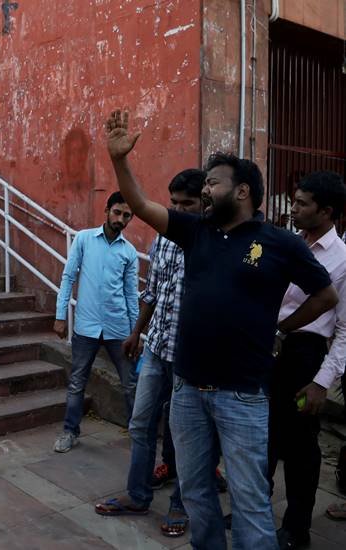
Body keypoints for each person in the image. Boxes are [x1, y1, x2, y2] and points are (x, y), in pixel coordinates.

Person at [105, 110, 338, 550]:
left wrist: (282, 326)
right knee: (195, 492)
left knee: (250, 499)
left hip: (243, 396)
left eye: (213, 182)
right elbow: (140, 205)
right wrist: (120, 160)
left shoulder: (279, 242)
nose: (206, 190)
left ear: (243, 189)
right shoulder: (197, 231)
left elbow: (326, 297)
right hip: (188, 391)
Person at [91, 170, 204, 535]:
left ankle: (180, 506)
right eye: (174, 203)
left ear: (204, 204)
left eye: (188, 204)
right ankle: (138, 495)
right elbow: (153, 291)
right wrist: (136, 332)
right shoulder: (164, 238)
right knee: (140, 423)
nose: (179, 210)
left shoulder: (212, 242)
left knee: (184, 434)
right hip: (156, 346)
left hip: (191, 356)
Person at [268, 171, 346, 550]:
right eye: (293, 201)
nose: (292, 208)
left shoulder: (343, 259)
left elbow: (345, 330)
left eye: (301, 204)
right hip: (269, 350)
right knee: (262, 439)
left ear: (326, 211)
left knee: (300, 448)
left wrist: (320, 382)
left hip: (304, 357)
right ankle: (254, 508)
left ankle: (296, 529)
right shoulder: (287, 243)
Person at [52, 191, 139, 453]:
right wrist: (59, 315)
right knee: (77, 381)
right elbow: (68, 277)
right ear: (106, 210)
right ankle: (70, 431)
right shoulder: (84, 239)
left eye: (126, 215)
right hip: (86, 326)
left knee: (130, 383)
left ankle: (138, 433)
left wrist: (136, 332)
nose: (120, 219)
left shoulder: (129, 252)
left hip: (118, 328)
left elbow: (131, 295)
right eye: (117, 212)